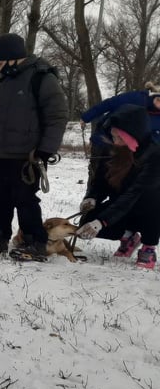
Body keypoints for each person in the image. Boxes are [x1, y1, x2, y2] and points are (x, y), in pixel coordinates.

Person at [0, 32, 67, 261]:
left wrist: (46, 149)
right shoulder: (6, 83)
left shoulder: (42, 78)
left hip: (28, 157)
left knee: (25, 200)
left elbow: (57, 116)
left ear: (13, 58)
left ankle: (34, 242)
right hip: (2, 154)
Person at [76, 104, 160, 270]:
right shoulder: (113, 150)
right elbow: (100, 180)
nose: (115, 140)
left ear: (133, 136)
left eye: (119, 137)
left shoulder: (154, 155)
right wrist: (92, 197)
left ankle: (148, 247)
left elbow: (133, 194)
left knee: (152, 203)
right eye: (113, 135)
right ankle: (128, 236)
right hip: (122, 206)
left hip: (149, 206)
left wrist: (102, 221)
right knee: (87, 220)